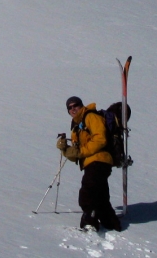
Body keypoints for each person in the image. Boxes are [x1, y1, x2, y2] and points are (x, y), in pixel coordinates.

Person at [57, 96, 122, 231]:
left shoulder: (90, 116)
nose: (73, 109)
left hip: (99, 159)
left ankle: (90, 221)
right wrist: (64, 149)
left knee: (88, 190)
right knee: (100, 195)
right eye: (69, 107)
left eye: (76, 105)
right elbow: (77, 154)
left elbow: (101, 139)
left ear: (81, 105)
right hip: (93, 162)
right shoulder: (76, 127)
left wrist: (81, 151)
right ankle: (112, 224)